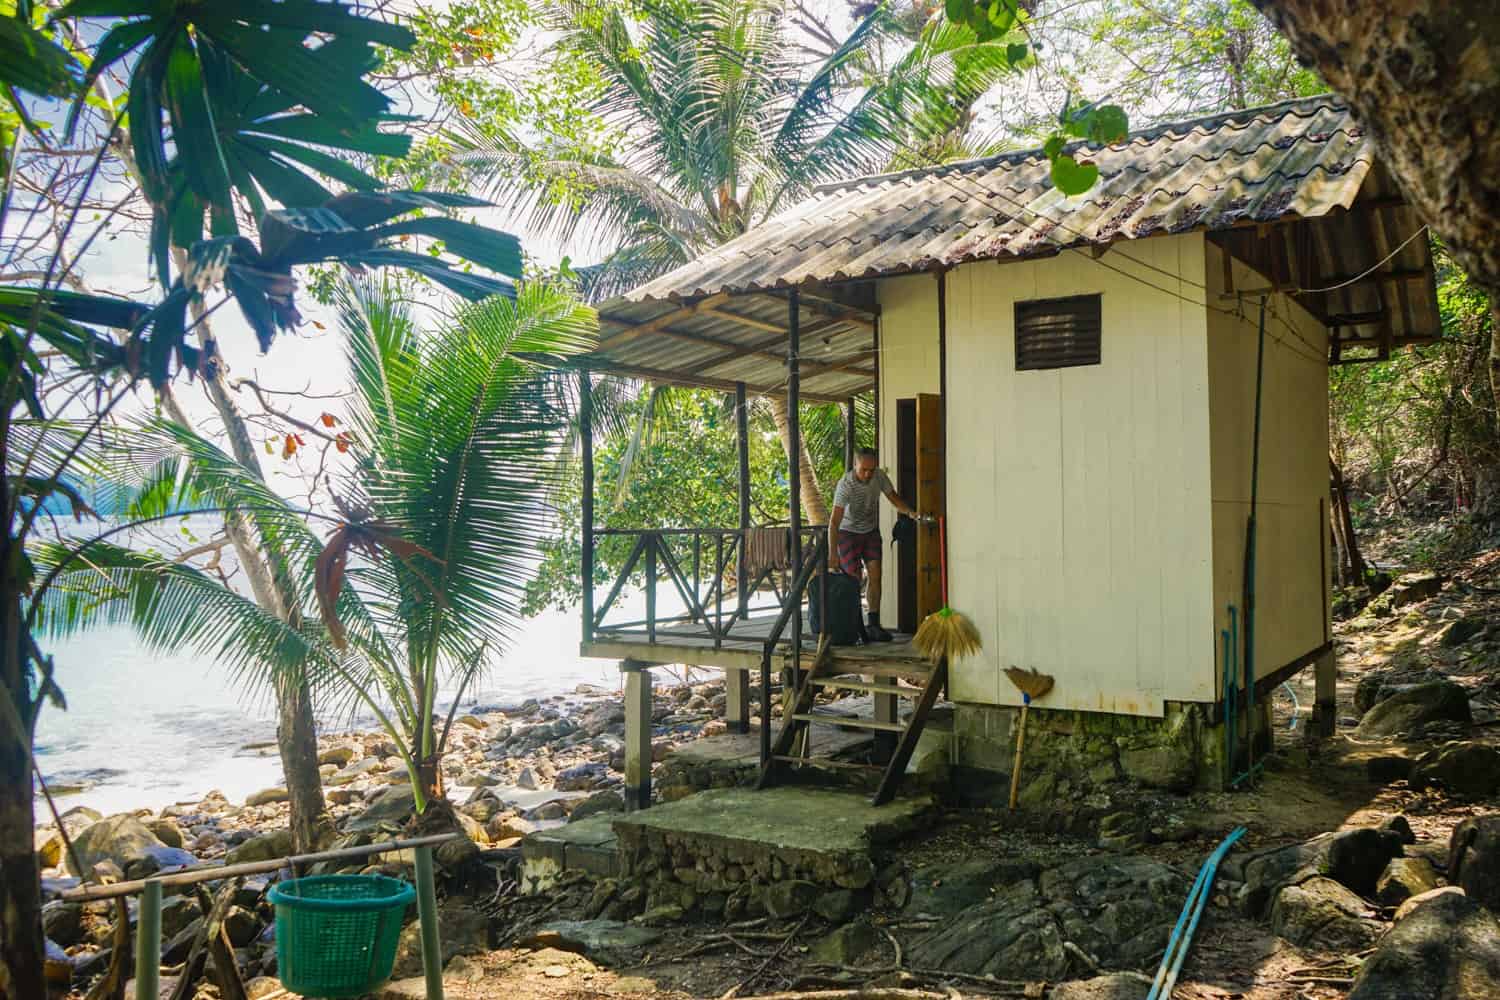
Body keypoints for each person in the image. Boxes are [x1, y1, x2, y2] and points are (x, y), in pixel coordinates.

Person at [828, 447, 919, 642]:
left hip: (870, 531)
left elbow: (893, 497)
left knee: (876, 575)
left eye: (871, 469)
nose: (868, 474)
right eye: (864, 470)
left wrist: (911, 513)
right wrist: (832, 553)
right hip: (847, 533)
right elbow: (834, 522)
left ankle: (874, 624)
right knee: (853, 580)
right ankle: (853, 626)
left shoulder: (879, 477)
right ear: (855, 466)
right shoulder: (845, 485)